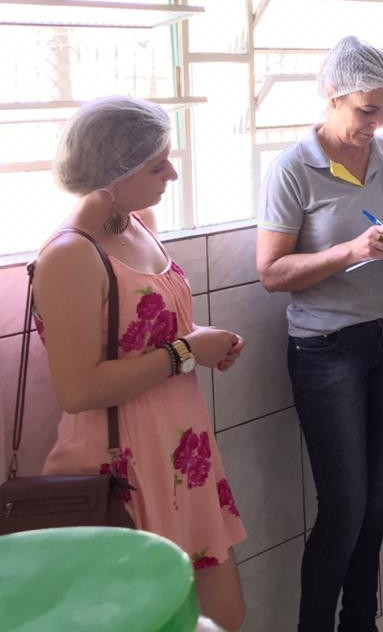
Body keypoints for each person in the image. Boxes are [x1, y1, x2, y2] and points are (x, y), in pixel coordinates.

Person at [36, 97, 248, 631]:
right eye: (157, 166)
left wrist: (202, 342)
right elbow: (78, 389)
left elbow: (144, 330)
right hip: (122, 461)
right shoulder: (70, 254)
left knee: (224, 616)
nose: (172, 174)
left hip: (180, 449)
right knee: (157, 620)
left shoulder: (140, 222)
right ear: (113, 174)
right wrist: (185, 353)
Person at [256, 36, 383, 632]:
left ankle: (361, 622)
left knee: (376, 498)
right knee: (343, 507)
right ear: (332, 95)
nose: (377, 123)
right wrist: (350, 251)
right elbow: (271, 273)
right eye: (367, 110)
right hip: (328, 348)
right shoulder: (292, 168)